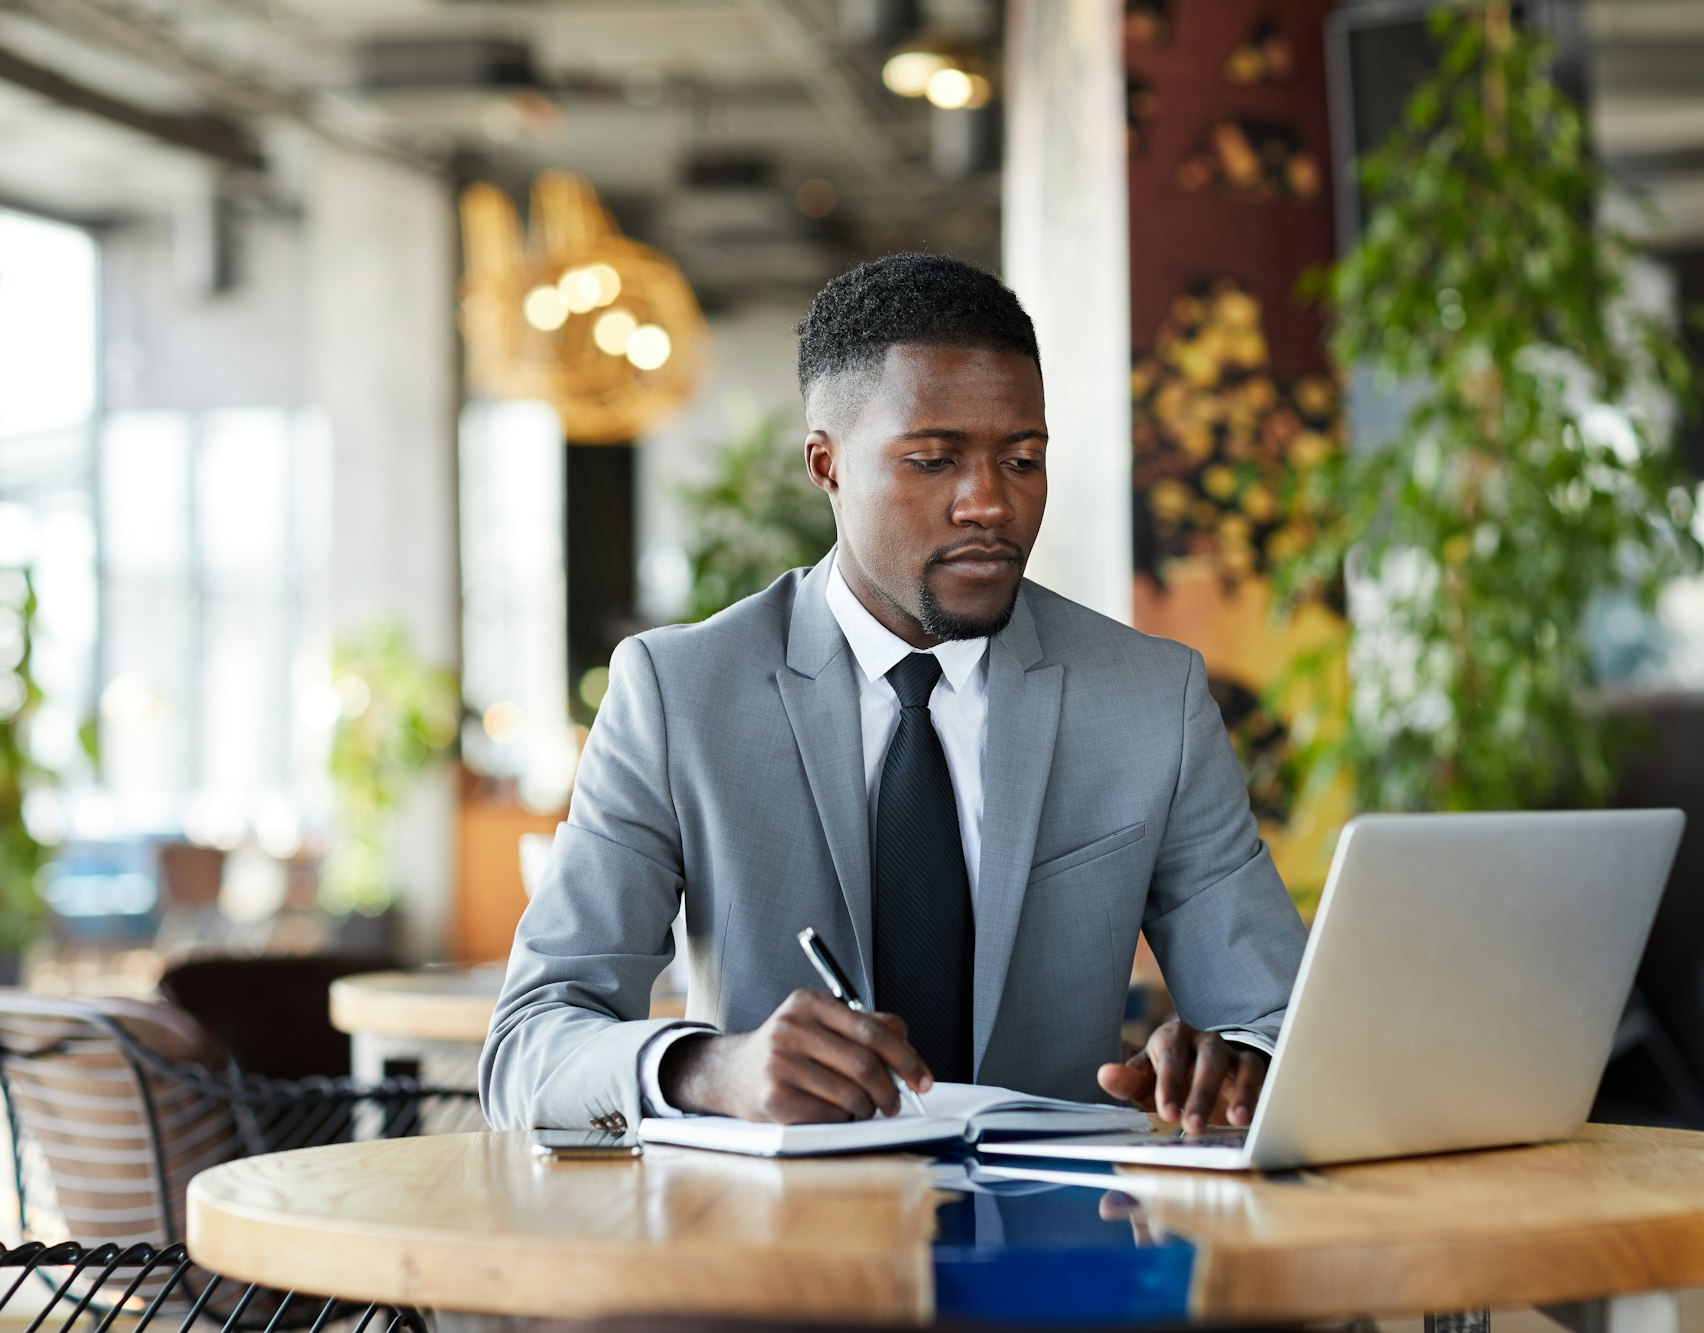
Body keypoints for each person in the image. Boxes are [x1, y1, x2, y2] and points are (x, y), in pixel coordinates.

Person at [480, 253, 1308, 1137]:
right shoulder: (679, 695)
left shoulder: (1153, 700)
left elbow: (1284, 1019)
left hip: (1058, 1245)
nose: (988, 503)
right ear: (827, 466)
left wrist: (1243, 1059)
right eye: (931, 460)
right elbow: (528, 1044)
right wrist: (711, 1066)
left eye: (1022, 459)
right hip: (773, 1250)